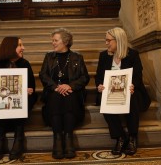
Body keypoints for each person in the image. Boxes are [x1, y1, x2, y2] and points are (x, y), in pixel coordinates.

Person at [95, 27, 148, 156]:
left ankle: (132, 137)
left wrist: (132, 85)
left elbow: (137, 76)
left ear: (118, 41)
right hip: (110, 91)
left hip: (130, 91)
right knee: (104, 101)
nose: (106, 43)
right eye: (106, 40)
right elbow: (98, 76)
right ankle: (120, 136)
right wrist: (100, 85)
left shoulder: (133, 54)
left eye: (109, 40)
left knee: (132, 98)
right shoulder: (104, 56)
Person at [0, 37, 38, 161]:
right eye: (20, 45)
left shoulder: (25, 63)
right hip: (3, 100)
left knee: (26, 99)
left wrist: (29, 91)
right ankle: (0, 139)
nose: (23, 48)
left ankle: (19, 136)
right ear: (10, 47)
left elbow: (32, 88)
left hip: (21, 102)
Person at [39, 28, 90, 159]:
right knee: (56, 96)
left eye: (56, 40)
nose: (53, 43)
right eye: (52, 41)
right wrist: (55, 87)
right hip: (53, 91)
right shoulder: (49, 57)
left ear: (65, 42)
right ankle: (57, 139)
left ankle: (68, 138)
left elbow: (84, 77)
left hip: (71, 92)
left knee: (69, 96)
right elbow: (43, 75)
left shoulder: (77, 57)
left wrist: (70, 86)